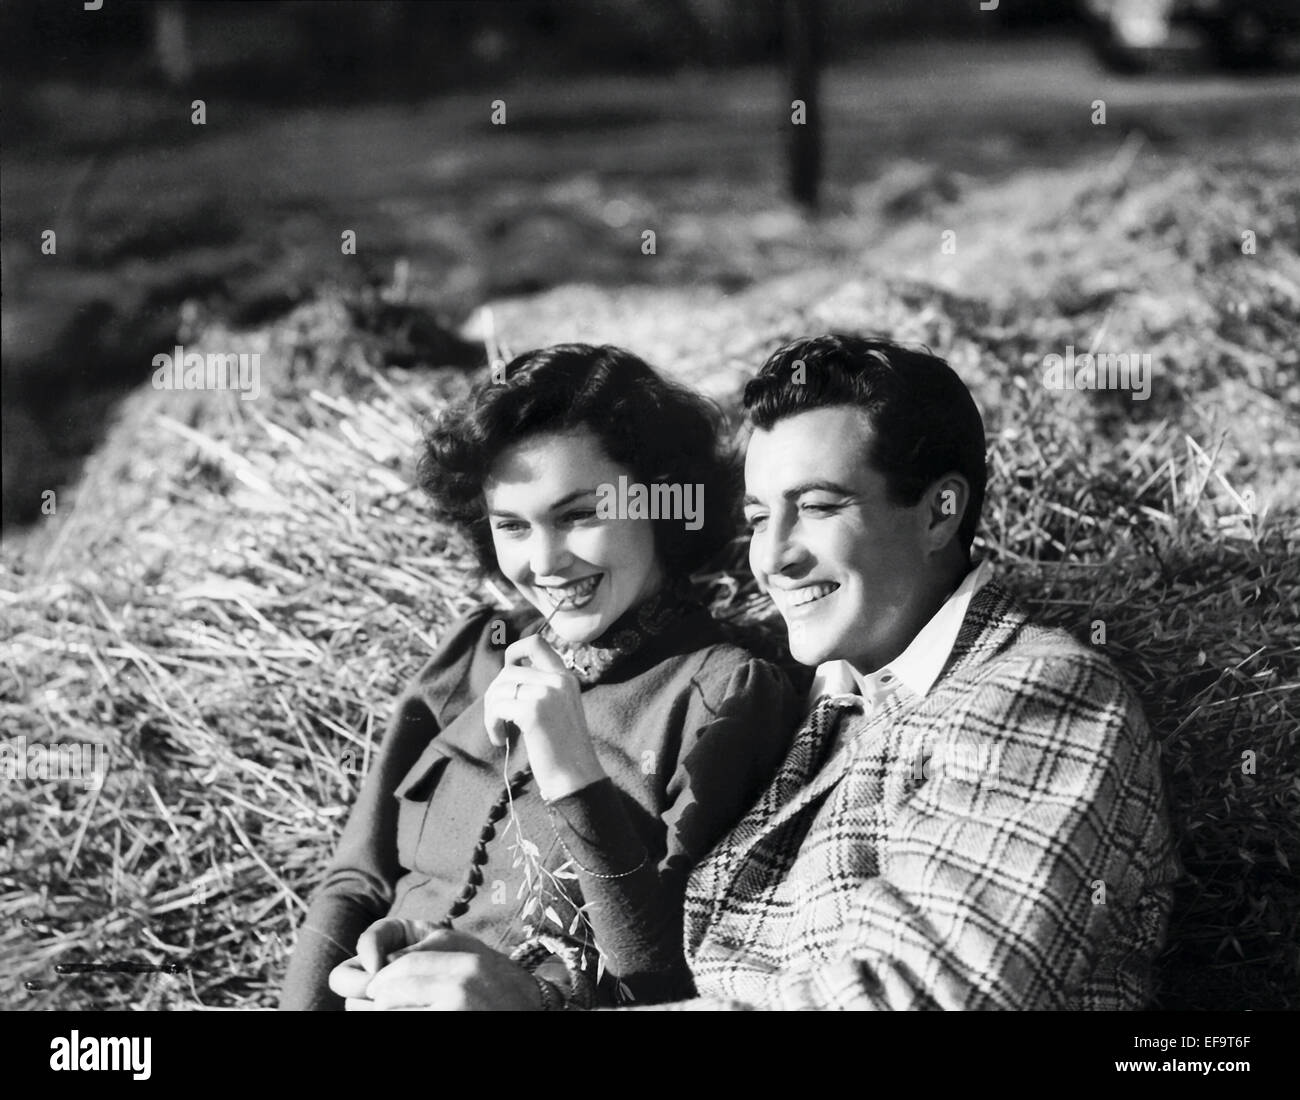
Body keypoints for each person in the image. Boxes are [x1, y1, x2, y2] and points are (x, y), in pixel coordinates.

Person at [353, 333, 1181, 1011]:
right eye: (758, 517)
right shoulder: (827, 707)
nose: (774, 558)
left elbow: (910, 1002)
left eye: (818, 507)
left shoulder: (1040, 696)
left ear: (939, 511)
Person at [279, 343, 798, 1010]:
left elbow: (667, 984)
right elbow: (355, 882)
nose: (545, 562)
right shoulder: (471, 651)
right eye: (512, 526)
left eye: (580, 514)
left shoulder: (726, 696)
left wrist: (572, 775)